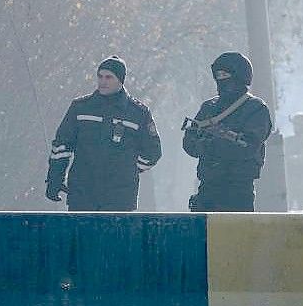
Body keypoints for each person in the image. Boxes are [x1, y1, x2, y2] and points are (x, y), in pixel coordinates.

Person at [45, 56, 162, 211]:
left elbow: (153, 152)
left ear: (120, 80)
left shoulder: (138, 113)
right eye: (100, 76)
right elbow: (62, 146)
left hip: (120, 197)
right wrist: (55, 179)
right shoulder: (81, 108)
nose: (103, 81)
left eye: (109, 77)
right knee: (82, 235)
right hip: (82, 192)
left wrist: (128, 170)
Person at [182, 52, 272, 211]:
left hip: (238, 189)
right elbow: (190, 142)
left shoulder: (256, 109)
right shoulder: (209, 107)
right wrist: (204, 145)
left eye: (226, 74)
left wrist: (215, 145)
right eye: (218, 75)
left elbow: (248, 146)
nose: (221, 80)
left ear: (239, 76)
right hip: (207, 187)